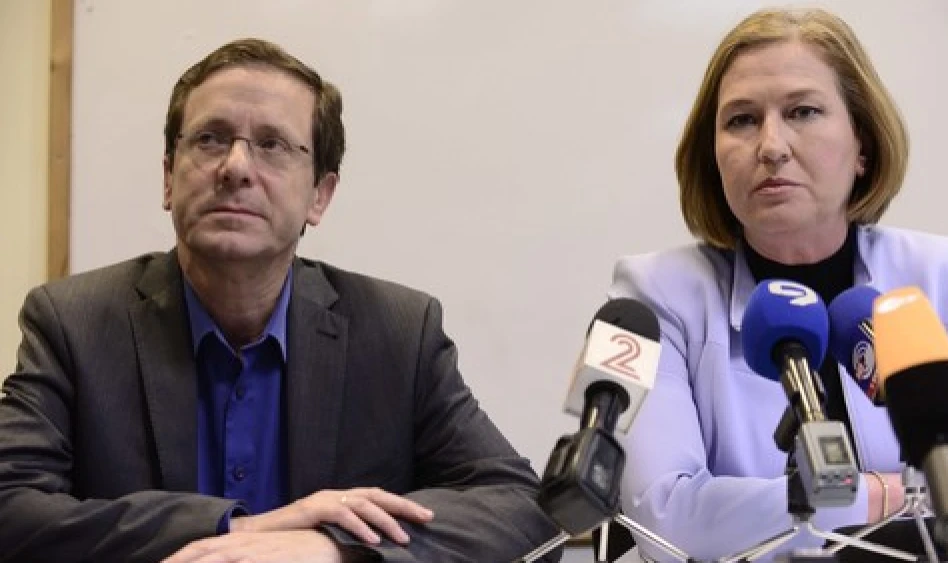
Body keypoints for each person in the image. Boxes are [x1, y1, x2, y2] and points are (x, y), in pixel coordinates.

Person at [0, 38, 560, 562]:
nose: (236, 168)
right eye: (210, 138)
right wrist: (241, 530)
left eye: (272, 145)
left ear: (320, 194)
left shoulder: (397, 331)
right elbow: (11, 508)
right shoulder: (74, 322)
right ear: (169, 177)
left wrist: (333, 546)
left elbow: (521, 506)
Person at [609, 8, 948, 561]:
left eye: (803, 112)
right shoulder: (656, 295)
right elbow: (666, 516)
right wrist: (883, 493)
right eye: (741, 120)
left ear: (862, 145)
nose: (771, 145)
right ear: (713, 157)